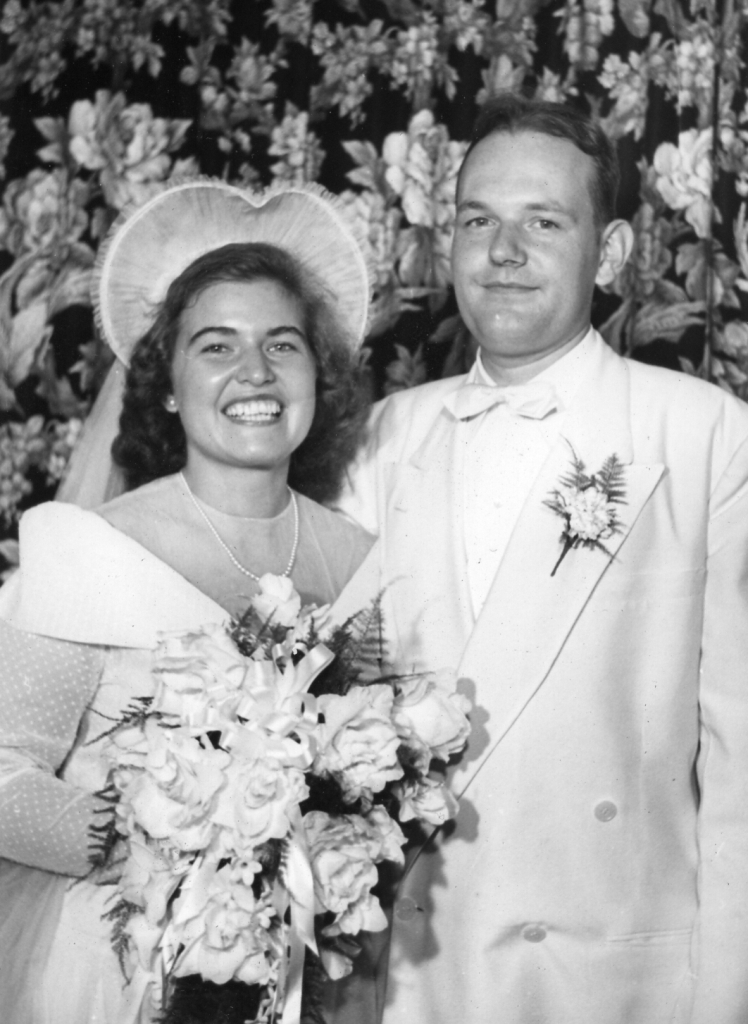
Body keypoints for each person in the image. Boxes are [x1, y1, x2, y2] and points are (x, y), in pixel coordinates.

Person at [335, 94, 748, 1024]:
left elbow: (742, 770)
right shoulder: (377, 439)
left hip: (613, 982)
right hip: (414, 975)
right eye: (478, 221)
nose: (504, 252)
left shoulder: (707, 437)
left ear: (609, 253)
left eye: (544, 223)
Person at [0, 180, 375, 1023]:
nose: (255, 372)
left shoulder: (363, 563)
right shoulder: (88, 550)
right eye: (216, 346)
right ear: (166, 385)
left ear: (318, 376)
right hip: (119, 969)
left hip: (303, 970)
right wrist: (158, 843)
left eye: (283, 345)